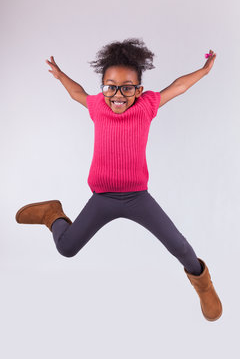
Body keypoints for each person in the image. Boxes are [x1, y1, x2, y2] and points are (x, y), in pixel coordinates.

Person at [15, 38, 222, 321]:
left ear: (139, 90)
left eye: (127, 87)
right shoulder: (97, 106)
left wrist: (204, 71)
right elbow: (76, 93)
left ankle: (204, 285)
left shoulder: (147, 106)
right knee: (66, 248)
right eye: (110, 86)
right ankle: (53, 214)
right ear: (103, 88)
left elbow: (178, 86)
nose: (118, 95)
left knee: (179, 246)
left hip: (137, 198)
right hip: (102, 199)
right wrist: (62, 75)